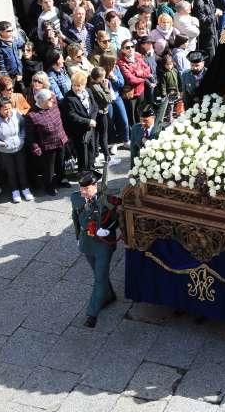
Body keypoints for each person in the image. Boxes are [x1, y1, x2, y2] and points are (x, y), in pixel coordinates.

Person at [71, 171, 119, 328]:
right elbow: (76, 219)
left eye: (86, 189)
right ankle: (109, 296)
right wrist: (78, 237)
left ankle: (92, 314)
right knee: (100, 274)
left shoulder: (108, 200)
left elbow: (118, 219)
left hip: (103, 244)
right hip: (87, 244)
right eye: (81, 188)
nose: (83, 192)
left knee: (99, 279)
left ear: (95, 186)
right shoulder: (75, 198)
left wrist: (108, 228)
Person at [0, 96, 33, 203]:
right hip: (5, 151)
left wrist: (22, 138)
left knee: (22, 170)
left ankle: (25, 189)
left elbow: (23, 126)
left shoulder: (16, 114)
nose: (8, 111)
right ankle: (15, 191)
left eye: (10, 108)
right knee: (11, 172)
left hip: (19, 147)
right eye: (5, 109)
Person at [129, 99, 168, 169]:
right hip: (142, 165)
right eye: (141, 120)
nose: (142, 123)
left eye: (145, 121)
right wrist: (132, 170)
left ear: (153, 118)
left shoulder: (162, 130)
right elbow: (133, 151)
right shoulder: (135, 128)